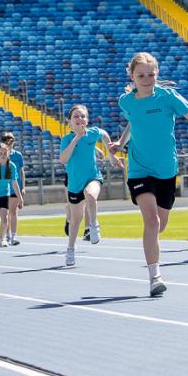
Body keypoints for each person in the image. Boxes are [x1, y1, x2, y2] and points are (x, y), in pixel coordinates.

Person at [112, 52, 188, 297]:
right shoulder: (126, 101)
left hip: (166, 170)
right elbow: (134, 122)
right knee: (152, 221)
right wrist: (121, 143)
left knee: (160, 225)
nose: (146, 80)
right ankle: (155, 276)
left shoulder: (168, 97)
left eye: (151, 75)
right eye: (141, 76)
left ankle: (151, 246)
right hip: (139, 170)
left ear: (157, 74)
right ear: (132, 76)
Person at [59, 104, 123, 266]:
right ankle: (70, 249)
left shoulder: (93, 132)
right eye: (76, 116)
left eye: (83, 116)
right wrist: (76, 138)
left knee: (91, 195)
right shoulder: (66, 139)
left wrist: (111, 155)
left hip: (92, 177)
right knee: (75, 221)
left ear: (87, 120)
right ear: (69, 122)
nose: (79, 119)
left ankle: (93, 226)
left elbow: (105, 135)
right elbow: (63, 160)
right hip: (75, 184)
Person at [0, 142, 23, 248]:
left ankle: (2, 240)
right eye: (0, 153)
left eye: (5, 153)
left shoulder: (12, 166)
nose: (3, 155)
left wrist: (20, 198)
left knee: (5, 217)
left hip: (4, 194)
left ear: (9, 153)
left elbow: (14, 183)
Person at [3, 133, 25, 246]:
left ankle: (13, 235)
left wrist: (23, 187)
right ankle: (6, 234)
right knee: (6, 213)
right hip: (4, 188)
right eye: (7, 141)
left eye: (11, 141)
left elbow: (21, 171)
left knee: (13, 211)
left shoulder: (18, 155)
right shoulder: (1, 155)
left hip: (15, 187)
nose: (9, 143)